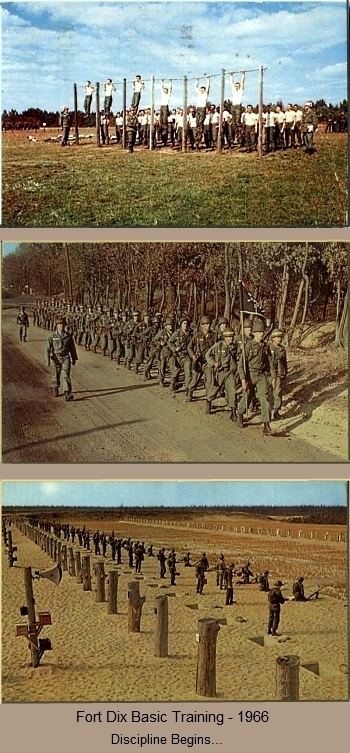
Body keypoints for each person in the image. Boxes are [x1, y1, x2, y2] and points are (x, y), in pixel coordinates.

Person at [237, 319, 276, 435]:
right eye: (259, 332)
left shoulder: (265, 346)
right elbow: (240, 365)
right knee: (247, 396)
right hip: (250, 374)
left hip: (261, 375)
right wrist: (243, 380)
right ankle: (240, 414)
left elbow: (270, 362)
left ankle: (266, 425)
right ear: (254, 333)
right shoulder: (248, 345)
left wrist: (273, 377)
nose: (261, 334)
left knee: (265, 399)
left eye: (263, 332)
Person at [205, 328, 238, 419]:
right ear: (225, 337)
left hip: (229, 372)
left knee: (232, 391)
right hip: (220, 372)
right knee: (214, 390)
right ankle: (208, 401)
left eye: (232, 336)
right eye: (229, 337)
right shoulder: (218, 345)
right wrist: (214, 363)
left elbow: (237, 357)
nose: (231, 338)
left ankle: (233, 411)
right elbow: (208, 355)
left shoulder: (234, 347)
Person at [45, 316, 78, 400]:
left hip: (65, 357)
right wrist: (47, 359)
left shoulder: (68, 336)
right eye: (60, 324)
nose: (61, 326)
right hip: (55, 358)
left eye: (63, 324)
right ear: (57, 325)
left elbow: (72, 348)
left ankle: (67, 393)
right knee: (55, 374)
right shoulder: (52, 336)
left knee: (66, 374)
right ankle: (55, 388)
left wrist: (74, 358)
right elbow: (47, 348)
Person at [269, 328, 287, 420]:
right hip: (268, 373)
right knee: (267, 393)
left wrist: (285, 372)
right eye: (277, 337)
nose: (279, 339)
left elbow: (284, 362)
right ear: (273, 338)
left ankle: (276, 411)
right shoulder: (268, 347)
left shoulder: (282, 349)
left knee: (278, 393)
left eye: (280, 337)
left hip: (278, 373)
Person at [194, 76, 210, 148]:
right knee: (197, 121)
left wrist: (208, 79)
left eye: (203, 90)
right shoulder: (199, 94)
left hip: (203, 108)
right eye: (201, 90)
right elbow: (195, 86)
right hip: (198, 109)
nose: (202, 91)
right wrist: (197, 80)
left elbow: (208, 86)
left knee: (200, 121)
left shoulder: (205, 94)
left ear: (205, 90)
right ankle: (198, 133)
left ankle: (200, 133)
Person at [229, 71, 245, 143]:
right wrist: (231, 75)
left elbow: (242, 82)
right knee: (234, 121)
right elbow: (231, 83)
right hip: (233, 106)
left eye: (238, 86)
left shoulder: (241, 91)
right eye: (236, 86)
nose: (236, 87)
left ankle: (240, 132)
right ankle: (236, 132)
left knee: (238, 121)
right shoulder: (233, 90)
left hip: (238, 106)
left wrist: (243, 74)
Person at [159, 79, 172, 145]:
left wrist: (170, 81)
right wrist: (162, 81)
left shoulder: (168, 95)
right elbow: (161, 88)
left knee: (164, 119)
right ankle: (162, 128)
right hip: (161, 106)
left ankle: (164, 129)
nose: (165, 91)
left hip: (165, 106)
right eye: (164, 90)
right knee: (161, 119)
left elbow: (170, 88)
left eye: (166, 90)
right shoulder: (163, 94)